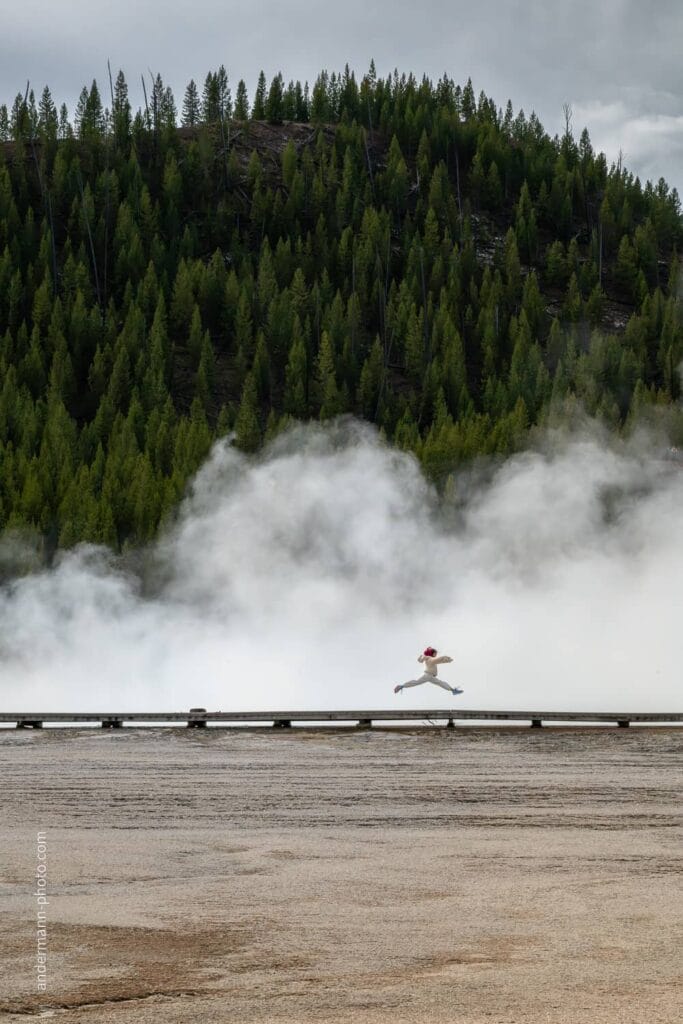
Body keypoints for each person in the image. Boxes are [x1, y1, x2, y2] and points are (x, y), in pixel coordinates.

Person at [394, 647, 463, 696]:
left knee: (440, 683)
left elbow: (424, 661)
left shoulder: (428, 658)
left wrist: (445, 660)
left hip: (430, 676)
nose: (436, 654)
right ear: (432, 653)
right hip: (428, 675)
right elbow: (437, 660)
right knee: (417, 682)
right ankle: (402, 686)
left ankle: (452, 690)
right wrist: (445, 658)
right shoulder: (429, 658)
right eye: (435, 653)